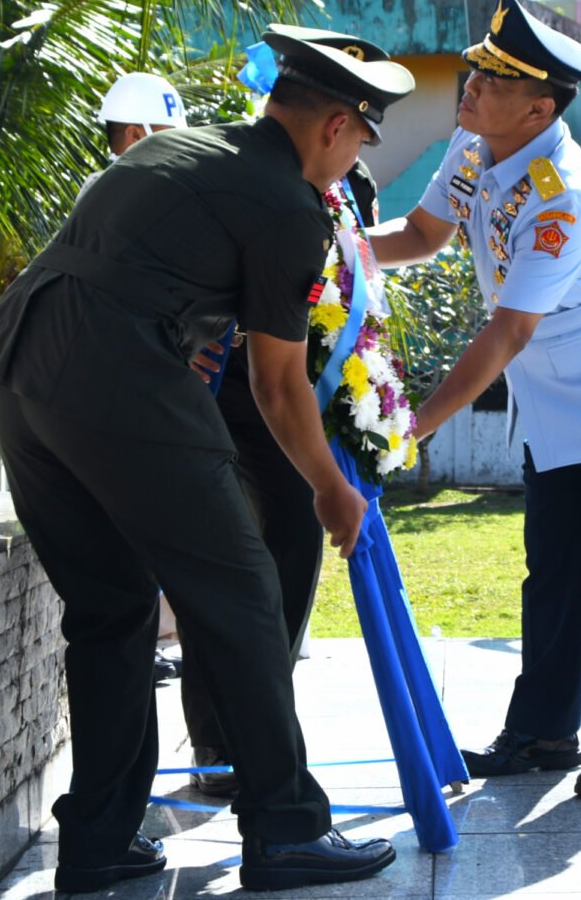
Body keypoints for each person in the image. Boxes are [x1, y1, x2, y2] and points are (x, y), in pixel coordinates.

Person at [0, 24, 414, 892]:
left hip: (19, 376)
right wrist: (330, 492)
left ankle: (98, 844)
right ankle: (283, 831)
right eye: (361, 135)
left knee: (111, 608)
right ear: (334, 128)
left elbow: (138, 274)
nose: (355, 156)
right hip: (112, 378)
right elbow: (277, 387)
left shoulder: (187, 150)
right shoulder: (288, 205)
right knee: (243, 589)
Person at [366, 0, 581, 800]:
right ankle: (544, 732)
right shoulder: (478, 144)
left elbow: (508, 332)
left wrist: (414, 427)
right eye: (477, 68)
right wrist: (338, 248)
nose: (471, 84)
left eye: (492, 78)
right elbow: (420, 235)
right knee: (553, 572)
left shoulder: (561, 195)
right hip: (556, 405)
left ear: (541, 107)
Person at [183, 155, 380, 797]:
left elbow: (351, 286)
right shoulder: (249, 175)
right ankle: (217, 741)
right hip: (222, 388)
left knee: (293, 553)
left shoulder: (352, 188)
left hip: (298, 395)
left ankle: (263, 724)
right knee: (222, 560)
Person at [87, 71, 189, 684]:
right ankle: (134, 652)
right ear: (131, 133)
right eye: (164, 136)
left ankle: (144, 646)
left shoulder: (133, 189)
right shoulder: (114, 191)